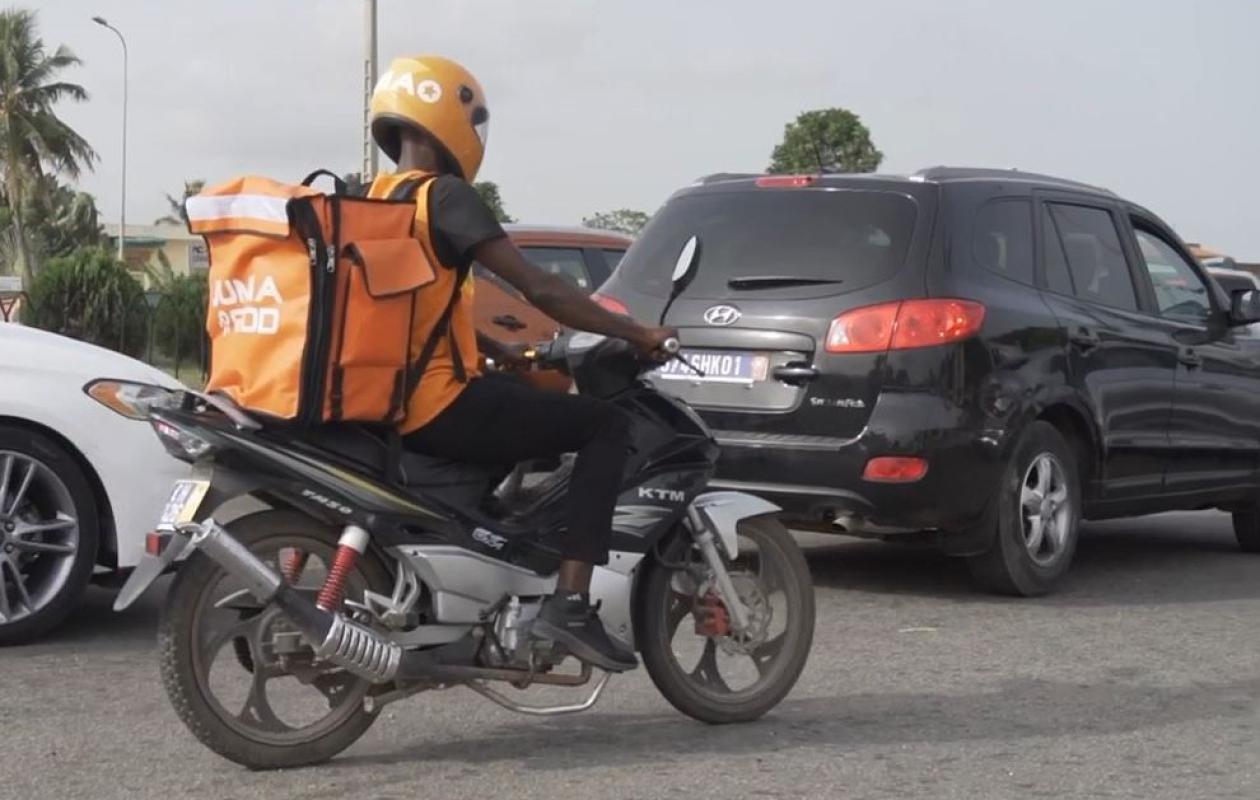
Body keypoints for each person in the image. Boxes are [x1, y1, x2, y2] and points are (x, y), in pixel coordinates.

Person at [366, 55, 676, 672]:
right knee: (602, 427)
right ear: (447, 117)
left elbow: (407, 308)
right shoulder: (444, 197)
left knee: (521, 411)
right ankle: (570, 603)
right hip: (437, 406)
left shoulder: (378, 197)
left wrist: (492, 351)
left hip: (391, 400)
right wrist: (636, 332)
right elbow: (542, 290)